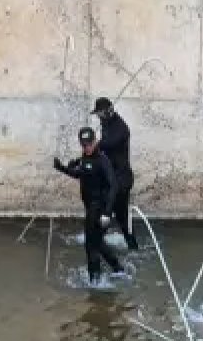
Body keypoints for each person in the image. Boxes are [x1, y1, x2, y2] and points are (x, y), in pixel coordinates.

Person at [53, 127, 125, 285]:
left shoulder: (102, 160)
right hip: (91, 207)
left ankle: (95, 282)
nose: (87, 147)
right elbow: (80, 174)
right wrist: (62, 168)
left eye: (89, 144)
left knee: (90, 245)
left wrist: (107, 212)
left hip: (99, 208)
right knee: (97, 242)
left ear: (94, 141)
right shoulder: (85, 158)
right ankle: (118, 269)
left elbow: (113, 186)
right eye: (84, 145)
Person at [91, 97, 139, 251]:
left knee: (109, 212)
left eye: (100, 114)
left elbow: (108, 144)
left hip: (121, 180)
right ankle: (131, 247)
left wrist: (95, 145)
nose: (98, 118)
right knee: (121, 217)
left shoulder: (121, 128)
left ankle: (96, 246)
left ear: (108, 112)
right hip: (112, 178)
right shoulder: (107, 124)